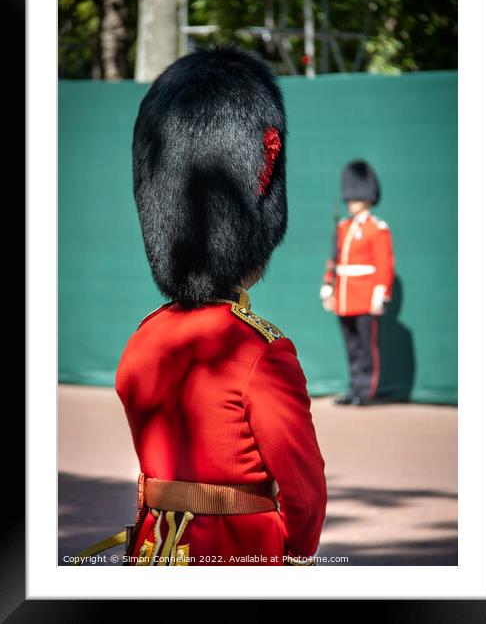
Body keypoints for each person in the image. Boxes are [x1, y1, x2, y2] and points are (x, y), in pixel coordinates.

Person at [74, 44, 327, 567]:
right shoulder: (263, 352)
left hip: (152, 550)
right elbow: (303, 489)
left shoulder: (145, 338)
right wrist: (297, 555)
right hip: (241, 557)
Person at [320, 161, 395, 406]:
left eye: (355, 196)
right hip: (344, 296)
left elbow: (384, 265)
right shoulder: (343, 227)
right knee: (352, 347)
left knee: (365, 347)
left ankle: (365, 392)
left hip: (364, 296)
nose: (350, 200)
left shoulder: (377, 229)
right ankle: (354, 388)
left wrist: (380, 295)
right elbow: (335, 260)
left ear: (367, 196)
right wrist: (329, 287)